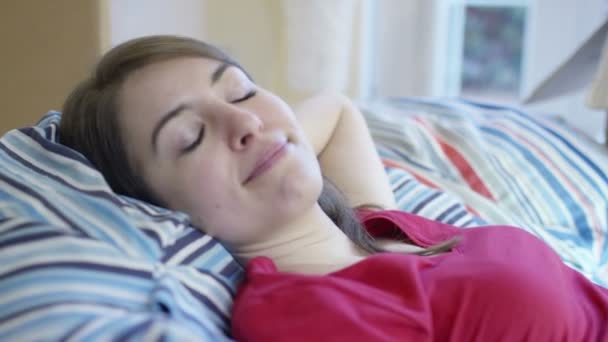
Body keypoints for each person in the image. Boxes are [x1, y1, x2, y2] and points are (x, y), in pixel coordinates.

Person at [59, 35, 608, 341]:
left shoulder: (373, 227)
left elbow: (339, 111)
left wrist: (280, 134)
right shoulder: (306, 313)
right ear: (159, 209)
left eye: (241, 92)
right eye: (192, 136)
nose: (244, 124)